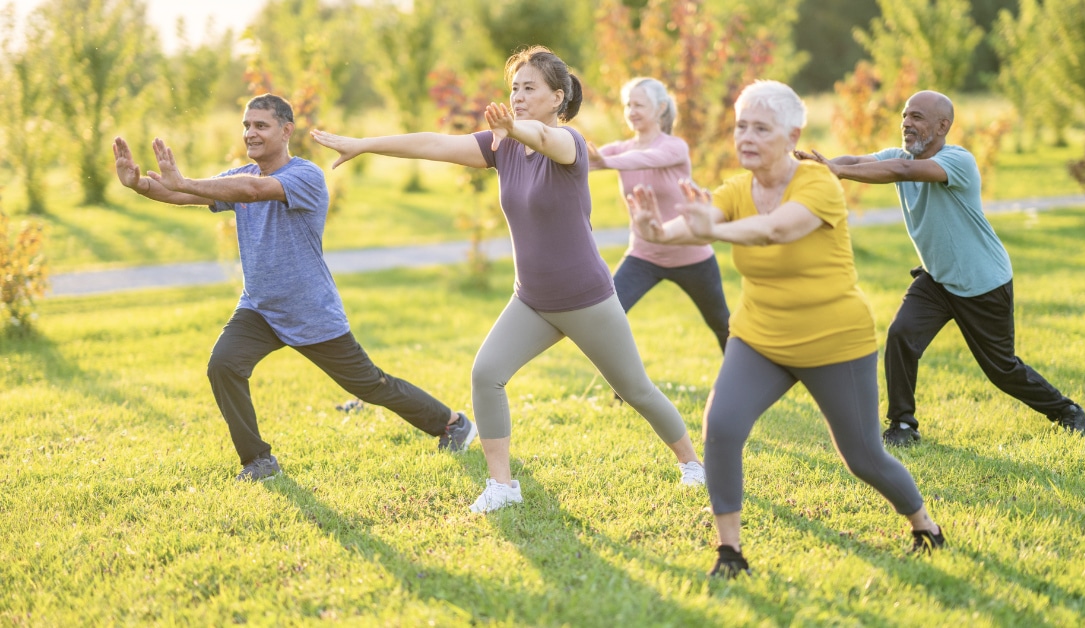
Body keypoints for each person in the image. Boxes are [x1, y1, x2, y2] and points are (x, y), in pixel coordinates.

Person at [310, 47, 706, 513]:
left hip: (585, 298)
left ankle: (693, 465)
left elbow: (544, 138)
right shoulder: (501, 146)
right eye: (514, 88)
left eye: (529, 88)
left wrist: (512, 127)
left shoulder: (569, 144)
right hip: (533, 300)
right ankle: (502, 486)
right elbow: (436, 144)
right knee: (486, 374)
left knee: (636, 390)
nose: (517, 96)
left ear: (558, 97)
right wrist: (364, 144)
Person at [628, 80, 945, 578]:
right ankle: (730, 553)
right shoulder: (737, 188)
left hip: (834, 340)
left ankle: (924, 524)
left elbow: (774, 230)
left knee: (862, 457)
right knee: (722, 427)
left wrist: (711, 230)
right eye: (740, 127)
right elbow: (698, 220)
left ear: (793, 133)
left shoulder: (818, 183)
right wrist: (656, 231)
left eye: (760, 128)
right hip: (760, 337)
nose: (746, 137)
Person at [111, 94, 476, 481]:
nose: (250, 133)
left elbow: (251, 192)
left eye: (260, 125)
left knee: (371, 386)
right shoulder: (239, 177)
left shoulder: (305, 177)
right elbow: (184, 193)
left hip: (310, 312)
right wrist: (140, 186)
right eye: (246, 126)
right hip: (260, 308)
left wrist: (185, 180)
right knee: (224, 365)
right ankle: (258, 460)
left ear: (286, 131)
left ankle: (451, 424)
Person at [796, 90, 1085, 447]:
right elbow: (858, 159)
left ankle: (1066, 410)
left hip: (982, 282)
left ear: (942, 125)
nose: (906, 123)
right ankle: (902, 425)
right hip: (937, 279)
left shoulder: (958, 161)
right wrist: (819, 167)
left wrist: (839, 171)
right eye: (904, 115)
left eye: (917, 117)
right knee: (901, 335)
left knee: (1002, 370)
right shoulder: (897, 156)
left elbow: (902, 171)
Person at [588, 77, 729, 352]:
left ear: (661, 108)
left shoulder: (675, 147)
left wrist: (605, 163)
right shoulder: (621, 148)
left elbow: (646, 159)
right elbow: (581, 161)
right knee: (608, 318)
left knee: (722, 324)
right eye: (628, 104)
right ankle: (621, 391)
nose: (632, 111)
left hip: (691, 255)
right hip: (644, 255)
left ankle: (741, 383)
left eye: (639, 104)